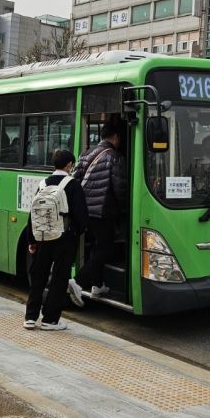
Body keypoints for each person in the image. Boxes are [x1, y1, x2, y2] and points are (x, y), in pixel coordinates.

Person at [24, 148, 88, 330]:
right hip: (64, 238)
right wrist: (77, 231)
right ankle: (50, 320)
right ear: (69, 165)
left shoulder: (43, 183)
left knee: (39, 276)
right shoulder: (72, 184)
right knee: (59, 278)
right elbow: (81, 216)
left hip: (42, 236)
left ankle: (30, 317)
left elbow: (33, 214)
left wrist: (31, 240)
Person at [69, 115, 127, 302]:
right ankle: (77, 282)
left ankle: (97, 285)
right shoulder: (115, 157)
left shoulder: (86, 154)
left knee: (96, 247)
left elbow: (75, 180)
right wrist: (125, 211)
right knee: (105, 249)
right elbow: (120, 189)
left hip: (86, 212)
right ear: (116, 137)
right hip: (104, 212)